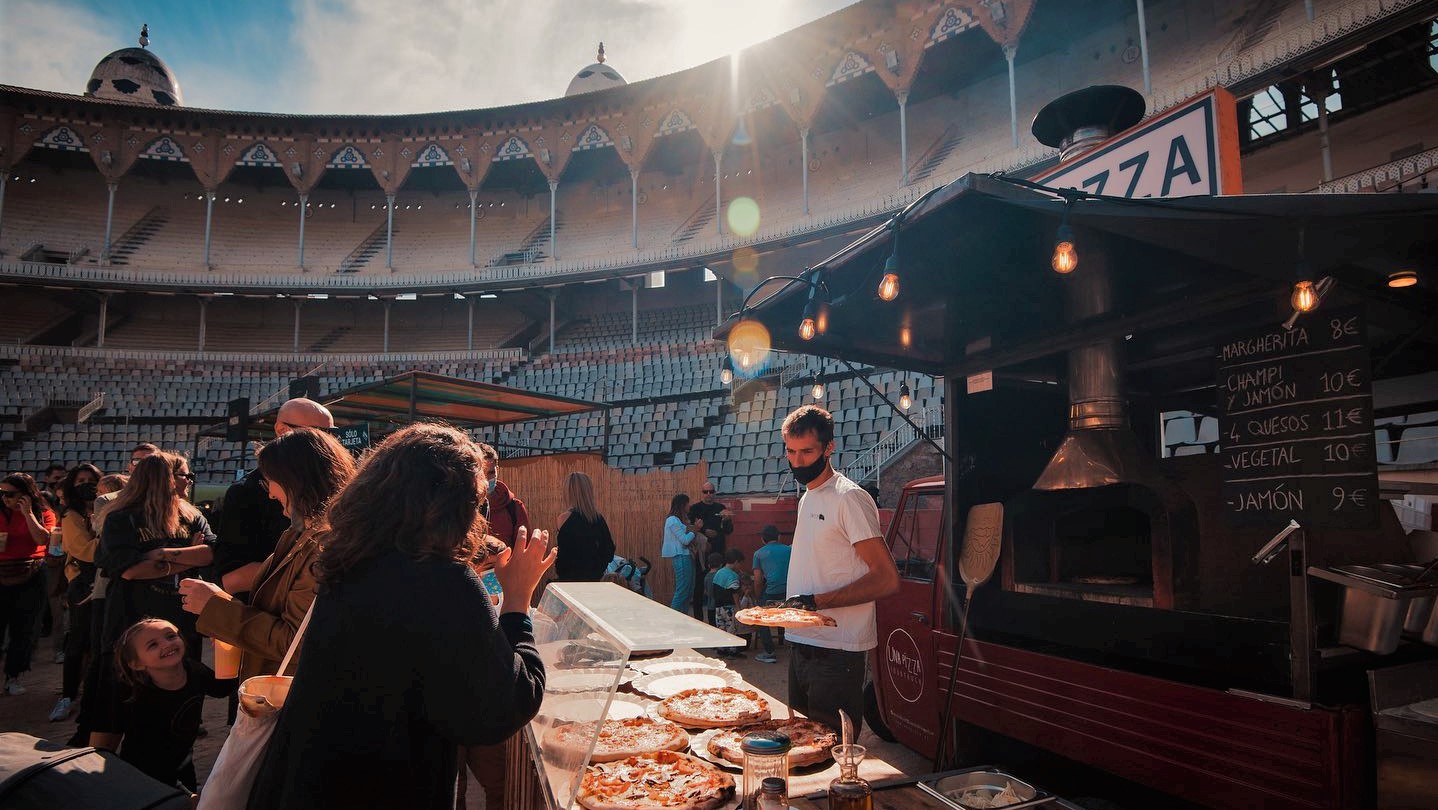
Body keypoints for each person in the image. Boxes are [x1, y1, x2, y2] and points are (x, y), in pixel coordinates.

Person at [247, 423, 554, 810]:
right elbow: (501, 708)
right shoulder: (442, 580)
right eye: (477, 500)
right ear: (452, 504)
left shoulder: (349, 563)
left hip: (304, 783)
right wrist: (518, 601)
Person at [180, 428, 356, 682]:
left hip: (292, 692)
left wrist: (216, 609)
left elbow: (295, 643)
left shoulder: (324, 546)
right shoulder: (300, 533)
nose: (270, 493)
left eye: (270, 481)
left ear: (296, 481)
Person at [780, 405, 900, 734]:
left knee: (833, 753)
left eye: (807, 451)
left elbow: (887, 579)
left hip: (837, 651)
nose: (797, 461)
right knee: (801, 745)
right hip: (802, 643)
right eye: (791, 451)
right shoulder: (807, 498)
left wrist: (817, 601)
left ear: (829, 448)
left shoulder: (849, 498)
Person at [89, 618, 235, 792]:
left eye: (170, 636)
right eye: (153, 645)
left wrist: (229, 649)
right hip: (142, 774)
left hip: (183, 764)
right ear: (136, 663)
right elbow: (102, 743)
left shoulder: (194, 670)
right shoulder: (130, 693)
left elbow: (223, 688)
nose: (166, 644)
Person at [96, 454, 215, 666]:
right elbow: (131, 570)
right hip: (135, 621)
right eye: (184, 475)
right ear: (165, 477)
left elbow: (209, 555)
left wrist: (161, 555)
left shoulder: (191, 516)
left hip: (183, 620)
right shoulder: (122, 518)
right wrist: (190, 555)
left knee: (185, 684)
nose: (189, 480)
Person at [212, 398, 334, 603]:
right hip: (267, 618)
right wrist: (306, 573)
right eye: (315, 434)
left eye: (331, 434)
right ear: (281, 430)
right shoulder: (246, 493)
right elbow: (231, 577)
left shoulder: (337, 484)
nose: (327, 442)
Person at [51, 463, 104, 722]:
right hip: (83, 582)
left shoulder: (106, 510)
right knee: (78, 641)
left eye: (91, 479)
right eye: (80, 480)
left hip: (106, 581)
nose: (86, 484)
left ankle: (94, 695)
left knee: (100, 642)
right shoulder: (71, 516)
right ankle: (67, 696)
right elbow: (86, 551)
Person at [0, 473, 58, 696]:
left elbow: (43, 540)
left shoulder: (43, 513)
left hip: (31, 571)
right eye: (2, 493)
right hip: (2, 570)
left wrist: (27, 514)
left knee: (24, 627)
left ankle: (13, 675)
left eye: (10, 494)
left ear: (25, 494)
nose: (5, 498)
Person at [553, 471, 615, 581]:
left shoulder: (563, 519)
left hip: (570, 582)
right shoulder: (598, 519)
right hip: (594, 581)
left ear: (568, 492)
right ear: (589, 491)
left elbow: (562, 557)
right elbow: (609, 553)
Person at [687, 481, 732, 617]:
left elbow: (729, 530)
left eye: (711, 492)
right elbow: (689, 528)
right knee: (699, 586)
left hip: (718, 551)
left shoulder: (721, 508)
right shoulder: (695, 509)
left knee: (718, 585)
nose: (709, 495)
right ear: (702, 493)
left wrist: (725, 520)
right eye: (706, 492)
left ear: (714, 493)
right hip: (702, 553)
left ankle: (717, 618)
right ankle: (698, 618)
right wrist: (704, 532)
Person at [751, 524, 791, 664]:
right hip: (789, 593)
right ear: (779, 537)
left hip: (771, 593)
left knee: (759, 616)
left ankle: (769, 652)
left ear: (762, 539)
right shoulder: (790, 550)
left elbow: (758, 580)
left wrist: (757, 598)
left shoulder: (758, 554)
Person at [477, 442, 530, 546]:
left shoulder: (514, 508)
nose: (487, 479)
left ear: (498, 470)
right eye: (482, 473)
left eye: (491, 473)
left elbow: (524, 549)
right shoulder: (460, 508)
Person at [661, 493, 700, 614]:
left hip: (686, 556)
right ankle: (674, 616)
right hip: (681, 556)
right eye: (688, 503)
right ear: (683, 505)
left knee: (688, 590)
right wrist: (696, 530)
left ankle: (683, 615)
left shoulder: (678, 520)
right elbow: (684, 540)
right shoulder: (672, 520)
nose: (690, 506)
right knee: (682, 590)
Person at [711, 549, 746, 659]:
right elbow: (734, 593)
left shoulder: (719, 573)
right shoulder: (732, 576)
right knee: (732, 628)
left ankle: (721, 649)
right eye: (740, 563)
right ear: (736, 562)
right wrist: (738, 607)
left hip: (718, 606)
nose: (740, 566)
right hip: (729, 607)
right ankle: (732, 651)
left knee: (721, 627)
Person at [702, 552, 723, 626]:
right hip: (719, 606)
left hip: (710, 606)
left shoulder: (707, 576)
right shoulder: (720, 575)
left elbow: (706, 592)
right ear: (721, 564)